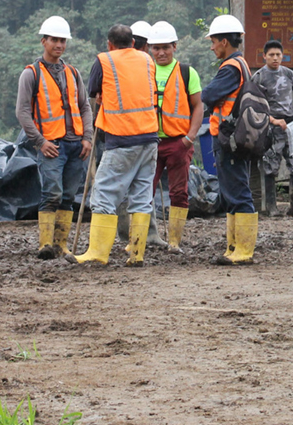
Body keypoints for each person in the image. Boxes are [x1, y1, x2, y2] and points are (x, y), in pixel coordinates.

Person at [71, 24, 159, 267]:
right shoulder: (147, 60)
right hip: (150, 137)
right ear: (132, 43)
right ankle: (137, 253)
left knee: (103, 195)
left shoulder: (104, 61)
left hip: (121, 137)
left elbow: (93, 91)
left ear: (110, 44)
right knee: (142, 197)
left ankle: (98, 253)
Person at [16, 16, 93, 260]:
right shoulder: (31, 74)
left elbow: (85, 107)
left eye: (62, 40)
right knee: (52, 194)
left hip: (75, 145)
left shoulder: (73, 73)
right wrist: (40, 142)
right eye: (54, 40)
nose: (59, 44)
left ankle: (62, 246)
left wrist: (87, 137)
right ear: (44, 41)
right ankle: (45, 245)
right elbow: (22, 112)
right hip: (51, 145)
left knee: (68, 197)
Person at [200, 14, 259, 266]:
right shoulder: (241, 64)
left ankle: (243, 251)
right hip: (232, 136)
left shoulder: (230, 67)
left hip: (228, 137)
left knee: (237, 191)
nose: (212, 47)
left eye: (213, 41)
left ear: (224, 41)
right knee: (231, 191)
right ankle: (234, 247)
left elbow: (209, 94)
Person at [147, 21, 204, 253]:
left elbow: (198, 106)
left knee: (179, 192)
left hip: (178, 142)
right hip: (149, 142)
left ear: (175, 47)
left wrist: (189, 138)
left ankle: (174, 242)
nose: (161, 52)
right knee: (144, 191)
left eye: (166, 47)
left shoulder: (187, 72)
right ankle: (140, 240)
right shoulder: (145, 70)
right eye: (156, 48)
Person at [254, 40, 293, 218]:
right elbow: (254, 106)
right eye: (271, 55)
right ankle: (271, 207)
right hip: (270, 126)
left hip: (291, 124)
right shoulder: (259, 77)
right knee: (271, 166)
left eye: (278, 55)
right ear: (264, 56)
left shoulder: (288, 73)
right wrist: (273, 120)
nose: (275, 58)